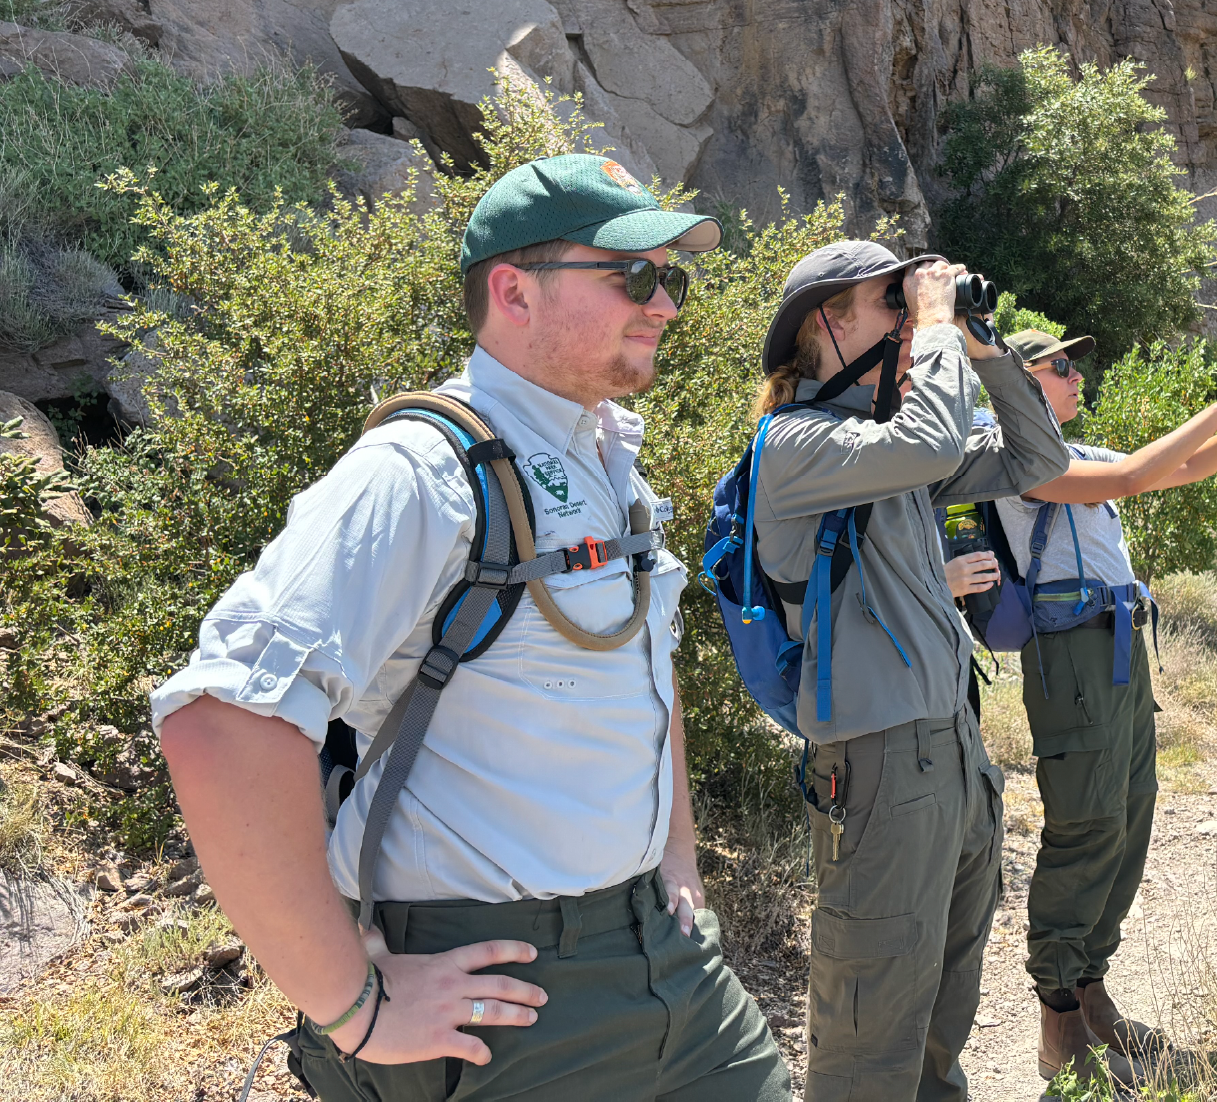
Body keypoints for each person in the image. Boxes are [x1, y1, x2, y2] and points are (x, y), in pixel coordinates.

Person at [152, 153, 786, 1098]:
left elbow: (648, 680)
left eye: (673, 279)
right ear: (513, 291)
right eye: (634, 276)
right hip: (506, 997)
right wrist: (353, 1007)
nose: (665, 304)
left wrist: (679, 855)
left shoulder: (611, 463)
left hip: (669, 959)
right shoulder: (421, 469)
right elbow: (221, 720)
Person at [737, 239, 1074, 1102]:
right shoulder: (797, 446)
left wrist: (983, 347)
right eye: (887, 302)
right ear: (826, 323)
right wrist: (932, 328)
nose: (906, 313)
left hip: (951, 756)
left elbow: (1039, 461)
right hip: (879, 765)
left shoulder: (886, 447)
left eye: (907, 300)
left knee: (937, 1020)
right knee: (870, 1039)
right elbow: (929, 446)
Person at [967, 311, 1217, 1085]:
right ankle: (1059, 1022)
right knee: (1086, 823)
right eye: (1061, 368)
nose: (1078, 376)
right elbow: (1129, 480)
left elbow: (1172, 470)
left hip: (1117, 648)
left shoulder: (1074, 449)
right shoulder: (1012, 459)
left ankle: (1092, 993)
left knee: (1130, 811)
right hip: (1074, 656)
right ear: (1020, 384)